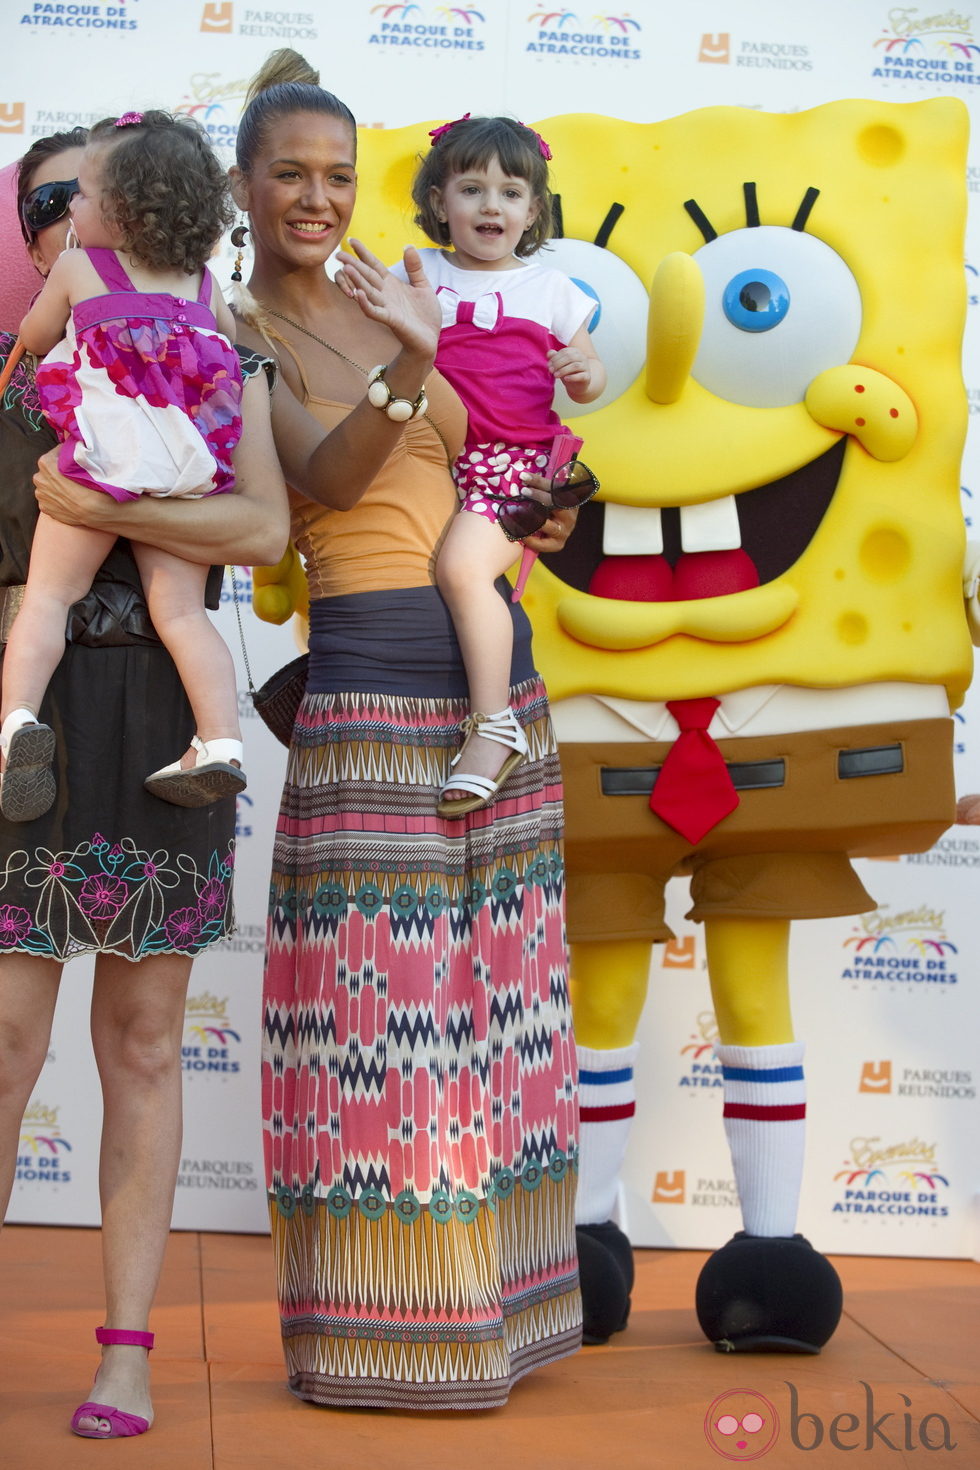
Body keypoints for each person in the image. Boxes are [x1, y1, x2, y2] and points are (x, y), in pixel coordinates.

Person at [229, 48, 582, 1410]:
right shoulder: (231, 331)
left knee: (498, 1009)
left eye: (336, 174)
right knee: (386, 1018)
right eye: (290, 175)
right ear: (245, 186)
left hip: (496, 690)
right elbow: (317, 480)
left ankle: (509, 1315)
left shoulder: (401, 288)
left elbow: (475, 455)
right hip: (369, 692)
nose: (317, 198)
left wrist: (546, 511)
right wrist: (411, 364)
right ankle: (394, 1338)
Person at [0, 129, 288, 1440]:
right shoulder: (19, 387)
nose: (79, 220)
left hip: (172, 714)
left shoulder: (216, 349)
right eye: (52, 200)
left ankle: (126, 1352)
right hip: (32, 718)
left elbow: (265, 528)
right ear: (37, 230)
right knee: (5, 1037)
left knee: (146, 1039)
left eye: (93, 199)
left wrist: (97, 493)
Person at [6, 110, 247, 823]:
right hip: (185, 473)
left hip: (103, 460)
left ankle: (17, 724)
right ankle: (222, 741)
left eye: (80, 194)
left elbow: (36, 333)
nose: (72, 208)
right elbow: (229, 345)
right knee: (182, 612)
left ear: (118, 206)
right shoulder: (202, 286)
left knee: (49, 596)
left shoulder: (83, 267)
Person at [392, 115, 606, 816]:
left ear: (532, 211)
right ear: (438, 199)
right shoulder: (419, 272)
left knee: (461, 569)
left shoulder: (553, 291)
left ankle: (494, 724)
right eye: (473, 188)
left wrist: (583, 371)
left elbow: (590, 378)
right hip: (424, 455)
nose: (492, 206)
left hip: (513, 465)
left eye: (511, 192)